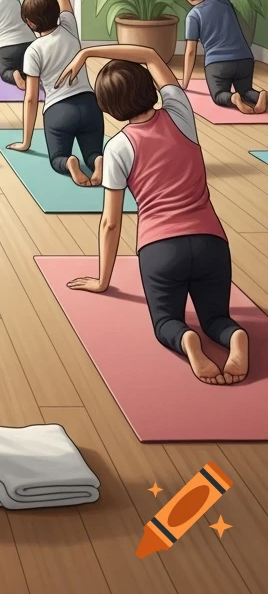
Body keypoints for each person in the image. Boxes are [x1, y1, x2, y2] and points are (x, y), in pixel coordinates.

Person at [55, 43, 249, 386]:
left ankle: (187, 341)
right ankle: (233, 337)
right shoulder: (180, 112)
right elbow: (148, 54)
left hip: (161, 250)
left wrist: (103, 280)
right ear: (148, 86)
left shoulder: (117, 147)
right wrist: (87, 52)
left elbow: (110, 223)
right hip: (211, 243)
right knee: (216, 318)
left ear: (109, 108)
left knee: (167, 323)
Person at [6, 0, 104, 188]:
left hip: (59, 112)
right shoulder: (69, 25)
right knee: (92, 152)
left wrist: (26, 141)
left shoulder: (33, 51)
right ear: (58, 12)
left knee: (57, 158)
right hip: (90, 106)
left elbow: (31, 99)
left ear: (29, 23)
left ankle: (69, 163)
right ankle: (98, 161)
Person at [171, 0, 267, 116]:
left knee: (218, 95)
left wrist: (185, 82)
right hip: (244, 59)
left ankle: (233, 99)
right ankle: (260, 96)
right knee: (246, 90)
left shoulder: (193, 16)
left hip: (218, 64)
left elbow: (191, 52)